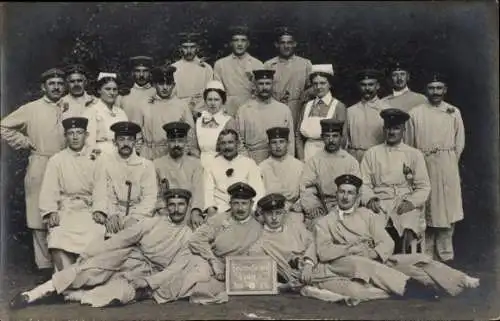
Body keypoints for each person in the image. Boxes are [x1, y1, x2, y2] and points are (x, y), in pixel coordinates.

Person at [9, 189, 210, 309]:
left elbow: (174, 269)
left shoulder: (189, 237)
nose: (176, 209)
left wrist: (146, 281)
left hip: (146, 273)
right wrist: (92, 253)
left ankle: (68, 296)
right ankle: (33, 294)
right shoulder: (153, 222)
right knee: (90, 269)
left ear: (188, 206)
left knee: (120, 294)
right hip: (128, 257)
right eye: (172, 204)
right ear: (166, 206)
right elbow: (122, 239)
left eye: (181, 205)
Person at [315, 174, 480, 300]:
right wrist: (350, 249)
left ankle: (459, 279)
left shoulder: (367, 215)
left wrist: (373, 253)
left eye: (350, 193)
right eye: (342, 192)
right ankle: (413, 289)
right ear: (336, 194)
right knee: (363, 264)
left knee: (417, 260)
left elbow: (387, 242)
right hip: (344, 263)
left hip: (373, 259)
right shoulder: (325, 221)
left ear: (357, 197)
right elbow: (323, 251)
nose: (345, 197)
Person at [249, 193, 390, 306]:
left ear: (284, 213)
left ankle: (396, 284)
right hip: (305, 277)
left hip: (320, 264)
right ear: (262, 215)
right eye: (269, 214)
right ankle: (392, 291)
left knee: (361, 268)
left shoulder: (294, 226)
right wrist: (286, 286)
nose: (274, 218)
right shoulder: (261, 242)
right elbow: (263, 277)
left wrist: (309, 263)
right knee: (355, 290)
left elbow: (315, 243)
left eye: (278, 213)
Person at [1, 68, 67, 273]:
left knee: (65, 211)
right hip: (40, 163)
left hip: (66, 163)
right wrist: (25, 142)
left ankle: (64, 267)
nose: (56, 87)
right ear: (43, 87)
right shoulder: (31, 108)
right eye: (51, 84)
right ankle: (44, 266)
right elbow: (4, 126)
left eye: (59, 83)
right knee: (38, 215)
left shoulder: (69, 106)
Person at [406, 73, 466, 262]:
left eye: (439, 88)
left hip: (447, 165)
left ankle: (446, 255)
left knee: (447, 209)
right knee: (427, 206)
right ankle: (427, 255)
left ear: (445, 90)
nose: (435, 92)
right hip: (424, 164)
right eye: (432, 88)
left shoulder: (453, 111)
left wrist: (448, 160)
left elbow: (459, 141)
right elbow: (409, 143)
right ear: (426, 90)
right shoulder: (416, 113)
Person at [39, 117, 105, 271]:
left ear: (86, 135)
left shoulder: (96, 158)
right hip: (66, 209)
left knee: (96, 232)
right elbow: (49, 189)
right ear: (65, 136)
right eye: (71, 133)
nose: (75, 137)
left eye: (79, 132)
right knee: (57, 234)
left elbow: (101, 187)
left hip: (88, 209)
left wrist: (99, 209)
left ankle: (88, 280)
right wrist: (51, 212)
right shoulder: (57, 160)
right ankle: (66, 282)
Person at [360, 108, 430, 252]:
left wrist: (411, 202)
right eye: (388, 128)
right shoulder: (372, 153)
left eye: (396, 129)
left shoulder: (414, 154)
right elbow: (364, 183)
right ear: (384, 129)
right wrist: (370, 199)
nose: (392, 132)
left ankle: (405, 261)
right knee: (369, 222)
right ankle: (379, 263)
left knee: (408, 220)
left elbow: (424, 186)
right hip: (380, 201)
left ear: (403, 130)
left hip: (403, 201)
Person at [189, 182, 263, 304]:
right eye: (236, 203)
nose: (240, 208)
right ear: (230, 204)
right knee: (200, 285)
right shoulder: (219, 219)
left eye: (244, 204)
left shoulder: (259, 224)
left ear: (252, 204)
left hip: (243, 270)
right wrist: (213, 261)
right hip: (216, 265)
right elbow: (195, 240)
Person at [92, 121, 157, 236]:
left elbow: (150, 198)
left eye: (129, 139)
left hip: (139, 214)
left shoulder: (146, 165)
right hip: (114, 213)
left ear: (135, 142)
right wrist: (112, 214)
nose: (125, 143)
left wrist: (135, 217)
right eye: (121, 139)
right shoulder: (105, 162)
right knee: (103, 236)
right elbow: (103, 192)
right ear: (115, 142)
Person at [299, 119, 360, 230]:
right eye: (327, 136)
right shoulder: (314, 161)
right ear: (322, 137)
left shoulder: (350, 161)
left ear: (341, 137)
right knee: (319, 226)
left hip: (345, 205)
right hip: (322, 206)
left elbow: (357, 190)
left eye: (335, 136)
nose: (331, 140)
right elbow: (306, 188)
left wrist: (346, 208)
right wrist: (314, 206)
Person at [236, 69, 295, 164]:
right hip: (252, 159)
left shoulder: (283, 110)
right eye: (260, 84)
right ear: (255, 85)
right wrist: (246, 162)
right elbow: (239, 140)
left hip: (278, 160)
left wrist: (288, 162)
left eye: (267, 83)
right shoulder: (244, 110)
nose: (264, 87)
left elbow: (290, 141)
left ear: (273, 85)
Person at [153, 122, 205, 229]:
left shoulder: (195, 164)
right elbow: (155, 193)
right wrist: (162, 209)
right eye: (172, 141)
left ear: (186, 142)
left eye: (180, 141)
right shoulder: (157, 164)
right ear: (167, 142)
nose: (176, 145)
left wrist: (196, 211)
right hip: (166, 211)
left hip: (188, 211)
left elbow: (199, 191)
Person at [139, 64, 197, 160]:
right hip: (149, 154)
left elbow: (190, 133)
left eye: (168, 84)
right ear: (154, 85)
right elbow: (138, 131)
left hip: (174, 153)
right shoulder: (145, 105)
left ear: (173, 85)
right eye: (161, 84)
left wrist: (188, 150)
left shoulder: (181, 105)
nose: (165, 87)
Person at [204, 129, 265, 215]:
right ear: (219, 145)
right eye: (223, 143)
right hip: (220, 210)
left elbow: (258, 189)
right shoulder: (211, 164)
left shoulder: (249, 163)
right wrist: (210, 207)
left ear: (237, 143)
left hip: (244, 209)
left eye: (230, 142)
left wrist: (253, 210)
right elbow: (208, 190)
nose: (227, 147)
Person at [264, 27, 312, 129]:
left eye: (289, 43)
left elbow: (312, 87)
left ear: (295, 44)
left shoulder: (305, 64)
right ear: (277, 45)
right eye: (282, 43)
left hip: (298, 110)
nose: (286, 46)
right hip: (274, 109)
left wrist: (304, 96)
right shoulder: (269, 65)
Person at [296, 64, 347, 161]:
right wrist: (301, 158)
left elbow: (343, 137)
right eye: (315, 83)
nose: (318, 87)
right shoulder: (306, 106)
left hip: (330, 156)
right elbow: (298, 135)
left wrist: (335, 159)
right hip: (307, 155)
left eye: (323, 83)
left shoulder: (338, 106)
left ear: (330, 84)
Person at [214, 26, 264, 116]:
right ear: (231, 43)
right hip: (227, 108)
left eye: (243, 40)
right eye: (236, 40)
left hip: (251, 108)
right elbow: (217, 92)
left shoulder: (257, 64)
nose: (239, 44)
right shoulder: (220, 64)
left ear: (248, 43)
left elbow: (261, 91)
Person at [346, 69, 391, 162]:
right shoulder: (350, 111)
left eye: (370, 85)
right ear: (359, 86)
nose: (367, 88)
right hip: (354, 158)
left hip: (378, 157)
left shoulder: (386, 110)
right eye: (363, 85)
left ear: (377, 86)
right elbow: (345, 140)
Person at [259, 127, 304, 214]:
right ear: (269, 145)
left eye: (281, 142)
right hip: (269, 211)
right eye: (274, 142)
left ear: (288, 143)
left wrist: (298, 205)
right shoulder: (262, 167)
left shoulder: (299, 165)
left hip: (294, 210)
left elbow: (305, 192)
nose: (278, 146)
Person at [82, 72, 128, 157]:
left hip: (121, 155)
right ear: (99, 90)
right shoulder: (91, 111)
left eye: (115, 89)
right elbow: (89, 143)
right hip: (101, 155)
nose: (112, 93)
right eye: (108, 89)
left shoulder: (121, 112)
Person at [194, 80, 237, 169]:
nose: (213, 103)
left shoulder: (228, 121)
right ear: (205, 101)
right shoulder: (199, 120)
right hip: (200, 163)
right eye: (209, 99)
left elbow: (234, 147)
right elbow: (193, 146)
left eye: (216, 100)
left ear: (222, 101)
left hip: (222, 163)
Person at [172, 32, 214, 118]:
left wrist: (197, 110)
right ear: (180, 49)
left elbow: (210, 93)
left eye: (192, 47)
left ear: (197, 48)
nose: (189, 51)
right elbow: (172, 95)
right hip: (180, 112)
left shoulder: (206, 68)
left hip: (202, 112)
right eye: (185, 47)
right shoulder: (174, 68)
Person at [120, 56, 156, 124]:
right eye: (137, 71)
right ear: (132, 73)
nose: (141, 75)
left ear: (150, 73)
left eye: (145, 71)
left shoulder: (156, 93)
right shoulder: (124, 95)